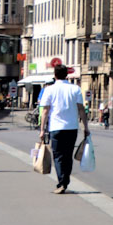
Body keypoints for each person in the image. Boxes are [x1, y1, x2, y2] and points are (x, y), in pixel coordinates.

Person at [39, 66, 89, 194]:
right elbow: (81, 109)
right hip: (71, 127)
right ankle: (65, 181)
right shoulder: (75, 89)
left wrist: (42, 129)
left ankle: (62, 182)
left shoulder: (49, 90)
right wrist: (86, 127)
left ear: (54, 75)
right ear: (67, 75)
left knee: (58, 156)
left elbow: (45, 111)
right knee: (68, 155)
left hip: (55, 128)